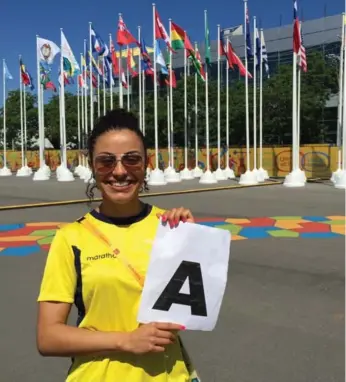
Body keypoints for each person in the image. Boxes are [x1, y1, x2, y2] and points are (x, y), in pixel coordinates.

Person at [36, 109, 200, 382]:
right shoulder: (71, 238)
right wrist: (125, 341)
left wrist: (192, 245)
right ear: (92, 166)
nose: (120, 171)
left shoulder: (170, 227)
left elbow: (191, 311)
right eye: (106, 162)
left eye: (132, 160)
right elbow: (48, 337)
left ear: (146, 164)